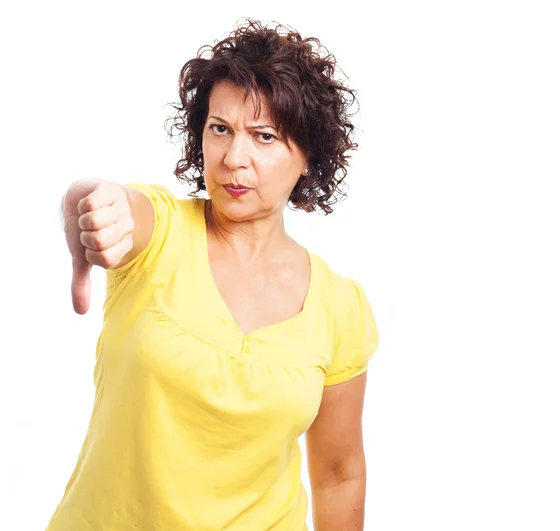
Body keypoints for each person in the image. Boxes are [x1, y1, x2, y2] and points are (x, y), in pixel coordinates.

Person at [49, 19, 379, 531]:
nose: (233, 158)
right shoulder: (159, 234)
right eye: (219, 129)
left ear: (307, 155)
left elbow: (338, 474)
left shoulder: (341, 308)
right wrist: (91, 203)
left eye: (264, 137)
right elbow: (115, 202)